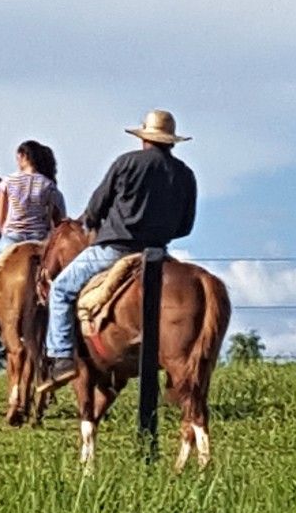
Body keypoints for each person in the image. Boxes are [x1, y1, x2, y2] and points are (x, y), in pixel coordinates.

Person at [38, 108, 197, 391]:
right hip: (159, 255)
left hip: (114, 250)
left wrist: (95, 221)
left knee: (61, 289)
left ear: (144, 138)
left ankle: (61, 358)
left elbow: (96, 207)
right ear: (171, 141)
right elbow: (185, 227)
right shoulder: (185, 174)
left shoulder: (126, 163)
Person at [0, 140, 66, 315]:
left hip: (11, 240)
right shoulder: (48, 185)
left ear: (23, 156)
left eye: (18, 157)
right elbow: (55, 217)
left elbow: (1, 218)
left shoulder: (8, 182)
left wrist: (5, 232)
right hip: (39, 240)